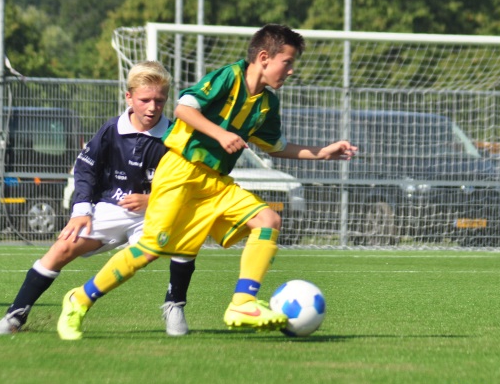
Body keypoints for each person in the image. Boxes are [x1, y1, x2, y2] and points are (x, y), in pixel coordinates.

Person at [56, 23, 358, 340]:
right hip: (180, 172)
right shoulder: (229, 76)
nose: (292, 71)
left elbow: (278, 147)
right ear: (265, 57)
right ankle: (79, 299)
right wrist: (221, 133)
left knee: (268, 219)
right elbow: (184, 108)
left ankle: (242, 302)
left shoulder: (267, 104)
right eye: (288, 62)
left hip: (215, 183)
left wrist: (323, 152)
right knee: (147, 251)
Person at [0, 61, 197, 337]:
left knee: (186, 238)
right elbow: (85, 168)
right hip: (110, 208)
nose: (152, 107)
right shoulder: (111, 130)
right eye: (145, 99)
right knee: (62, 247)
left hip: (153, 214)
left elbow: (188, 181)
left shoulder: (175, 136)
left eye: (159, 101)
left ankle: (174, 306)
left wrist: (152, 200)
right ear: (129, 97)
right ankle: (16, 314)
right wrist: (81, 210)